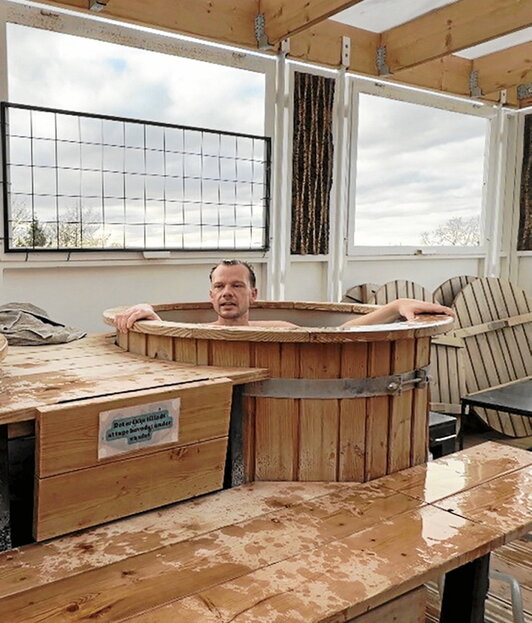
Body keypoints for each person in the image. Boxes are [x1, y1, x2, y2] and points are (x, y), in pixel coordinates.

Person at [113, 259, 454, 333]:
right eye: (219, 287)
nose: (227, 293)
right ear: (211, 295)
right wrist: (148, 312)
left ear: (254, 295)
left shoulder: (277, 327)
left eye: (237, 286)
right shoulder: (199, 332)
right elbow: (167, 336)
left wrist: (395, 306)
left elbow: (340, 332)